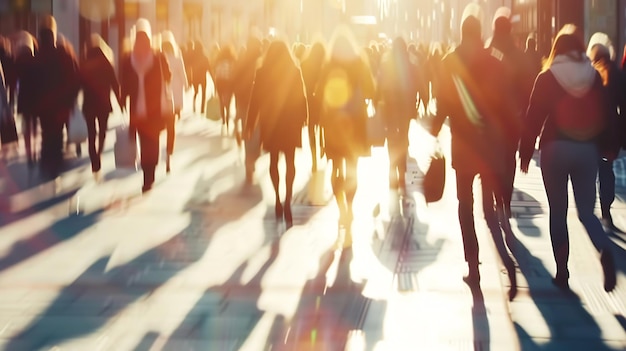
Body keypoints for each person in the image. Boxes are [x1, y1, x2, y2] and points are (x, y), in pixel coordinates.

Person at [519, 24, 617, 292]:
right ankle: (604, 250)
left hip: (554, 150)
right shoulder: (594, 76)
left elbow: (533, 118)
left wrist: (525, 152)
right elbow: (607, 113)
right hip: (586, 150)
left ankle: (562, 272)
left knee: (558, 212)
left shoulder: (547, 76)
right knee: (587, 212)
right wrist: (610, 145)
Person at [430, 4, 516, 293]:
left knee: (464, 206)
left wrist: (432, 132)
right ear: (480, 34)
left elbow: (442, 102)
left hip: (464, 145)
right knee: (489, 211)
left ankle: (473, 265)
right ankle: (507, 261)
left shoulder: (449, 61)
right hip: (489, 145)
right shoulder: (495, 61)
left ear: (461, 33)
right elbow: (504, 104)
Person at [317, 26, 375, 247]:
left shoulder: (329, 64)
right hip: (355, 126)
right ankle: (350, 210)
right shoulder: (360, 63)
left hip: (333, 125)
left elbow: (320, 93)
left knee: (336, 169)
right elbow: (371, 90)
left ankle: (341, 209)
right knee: (353, 170)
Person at [245, 40, 308, 228]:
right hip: (290, 124)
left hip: (271, 124)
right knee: (290, 162)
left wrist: (250, 124)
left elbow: (254, 100)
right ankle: (288, 198)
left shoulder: (262, 73)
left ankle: (279, 198)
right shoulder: (294, 71)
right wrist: (304, 119)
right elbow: (302, 97)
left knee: (274, 161)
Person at [119, 18, 170, 193]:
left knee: (147, 141)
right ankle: (149, 174)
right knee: (151, 142)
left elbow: (124, 84)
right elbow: (168, 75)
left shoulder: (133, 58)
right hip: (146, 110)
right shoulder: (155, 57)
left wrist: (122, 99)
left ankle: (148, 174)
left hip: (145, 109)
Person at [586, 33, 626, 232]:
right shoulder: (617, 73)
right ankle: (606, 210)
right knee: (606, 170)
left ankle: (588, 211)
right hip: (610, 132)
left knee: (589, 171)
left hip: (591, 131)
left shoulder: (591, 72)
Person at [35, 15, 81, 178]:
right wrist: (70, 101)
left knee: (47, 132)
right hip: (60, 105)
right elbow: (74, 80)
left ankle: (47, 161)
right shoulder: (62, 55)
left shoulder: (38, 57)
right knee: (57, 133)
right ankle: (55, 161)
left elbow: (33, 84)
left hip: (44, 106)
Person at [376, 37, 420, 196]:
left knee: (391, 139)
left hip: (389, 108)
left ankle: (392, 171)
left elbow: (380, 83)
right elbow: (417, 85)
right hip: (405, 109)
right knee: (403, 138)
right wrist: (419, 101)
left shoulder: (387, 63)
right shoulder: (411, 64)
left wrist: (376, 102)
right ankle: (401, 173)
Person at [79, 34, 121, 178]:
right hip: (103, 104)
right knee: (102, 132)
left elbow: (78, 83)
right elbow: (114, 83)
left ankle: (94, 161)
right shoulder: (106, 61)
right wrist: (121, 101)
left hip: (89, 104)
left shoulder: (84, 62)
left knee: (92, 134)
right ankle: (99, 152)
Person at [233, 37, 263, 184]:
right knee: (256, 134)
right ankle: (252, 160)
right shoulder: (261, 62)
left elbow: (235, 80)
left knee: (248, 133)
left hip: (244, 103)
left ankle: (248, 161)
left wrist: (238, 98)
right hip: (256, 104)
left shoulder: (242, 60)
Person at [160, 30, 188, 173]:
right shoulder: (177, 57)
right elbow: (183, 74)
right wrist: (187, 85)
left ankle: (164, 150)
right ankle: (169, 153)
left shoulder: (158, 58)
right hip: (175, 97)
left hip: (162, 98)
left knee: (164, 125)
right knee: (172, 126)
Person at [300, 41, 326, 173]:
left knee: (311, 132)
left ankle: (314, 158)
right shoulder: (325, 65)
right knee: (324, 128)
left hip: (309, 103)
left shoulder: (305, 64)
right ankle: (323, 147)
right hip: (323, 103)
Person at [14, 31, 39, 166]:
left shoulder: (17, 60)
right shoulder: (35, 60)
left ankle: (29, 152)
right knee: (34, 124)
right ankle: (34, 150)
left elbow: (13, 81)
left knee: (26, 126)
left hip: (23, 97)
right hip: (35, 97)